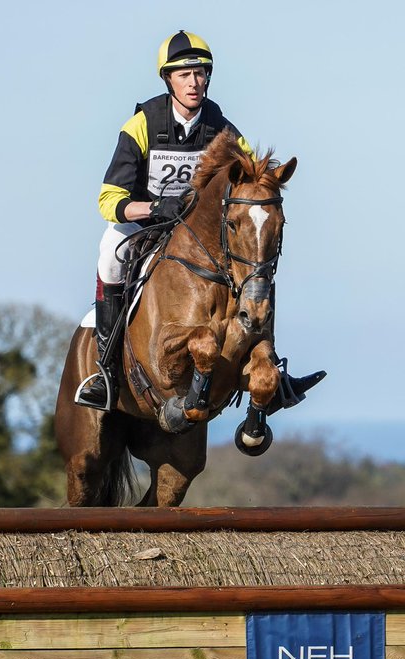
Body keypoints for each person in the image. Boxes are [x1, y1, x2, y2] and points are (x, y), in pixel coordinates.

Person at [75, 30, 324, 413]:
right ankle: (106, 370)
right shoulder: (141, 125)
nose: (194, 82)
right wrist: (155, 208)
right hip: (145, 225)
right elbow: (109, 200)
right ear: (168, 79)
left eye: (200, 73)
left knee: (253, 266)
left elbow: (253, 181)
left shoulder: (222, 129)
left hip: (201, 235)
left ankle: (272, 370)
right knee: (109, 255)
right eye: (184, 74)